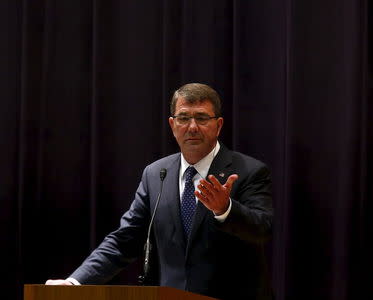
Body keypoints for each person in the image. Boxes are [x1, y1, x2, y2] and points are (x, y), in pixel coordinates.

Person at [46, 83, 274, 300]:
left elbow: (263, 230)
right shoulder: (156, 174)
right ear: (172, 124)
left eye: (202, 118)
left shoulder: (249, 171)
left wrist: (225, 210)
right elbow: (125, 240)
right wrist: (76, 283)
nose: (192, 126)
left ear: (219, 125)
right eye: (184, 118)